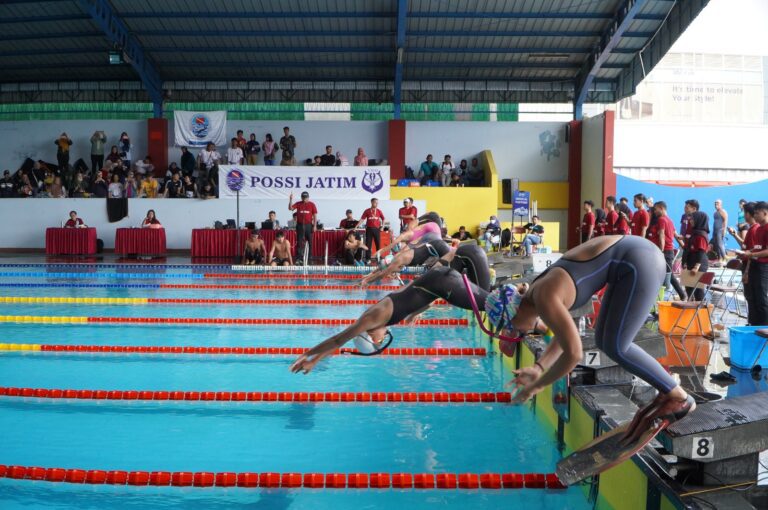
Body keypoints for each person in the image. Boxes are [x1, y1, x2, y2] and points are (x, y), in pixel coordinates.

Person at [290, 235, 695, 443]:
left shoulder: (546, 297)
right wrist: (538, 364)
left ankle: (676, 394)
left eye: (511, 331)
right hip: (629, 260)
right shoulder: (538, 297)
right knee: (609, 341)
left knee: (616, 345)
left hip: (638, 260)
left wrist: (540, 380)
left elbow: (572, 350)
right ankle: (667, 392)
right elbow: (560, 336)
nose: (515, 336)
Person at [361, 213, 450, 286]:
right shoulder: (414, 240)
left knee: (397, 258)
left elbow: (389, 251)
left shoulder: (407, 238)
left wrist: (380, 253)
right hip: (433, 238)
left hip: (432, 235)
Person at [647, 201, 686, 301]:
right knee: (668, 274)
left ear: (661, 208)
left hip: (665, 252)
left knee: (666, 276)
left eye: (655, 209)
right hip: (668, 252)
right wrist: (684, 247)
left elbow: (662, 236)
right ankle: (682, 295)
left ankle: (663, 299)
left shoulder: (661, 220)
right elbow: (676, 235)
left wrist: (661, 251)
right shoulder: (670, 220)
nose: (654, 212)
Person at [729, 202, 759, 324]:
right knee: (749, 296)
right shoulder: (751, 229)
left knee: (752, 296)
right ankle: (751, 321)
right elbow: (745, 246)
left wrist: (746, 271)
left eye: (744, 213)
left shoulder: (754, 229)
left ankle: (753, 322)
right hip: (746, 264)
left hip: (749, 265)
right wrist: (735, 235)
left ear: (748, 214)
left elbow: (752, 252)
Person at [680, 202, 710, 301]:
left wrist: (696, 267)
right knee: (688, 288)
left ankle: (700, 311)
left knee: (698, 291)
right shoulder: (695, 233)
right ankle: (692, 310)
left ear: (698, 220)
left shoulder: (701, 235)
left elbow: (701, 252)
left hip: (698, 265)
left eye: (692, 219)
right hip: (691, 263)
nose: (690, 221)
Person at [746, 201, 768, 326]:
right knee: (752, 298)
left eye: (757, 213)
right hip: (755, 265)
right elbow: (758, 248)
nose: (754, 216)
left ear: (765, 213)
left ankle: (764, 327)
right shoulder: (759, 229)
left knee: (761, 299)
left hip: (763, 267)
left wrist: (752, 254)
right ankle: (754, 326)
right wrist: (749, 252)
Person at [288, 191, 317, 265]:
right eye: (303, 198)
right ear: (301, 198)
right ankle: (299, 258)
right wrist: (290, 199)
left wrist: (315, 226)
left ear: (308, 197)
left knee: (310, 242)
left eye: (306, 198)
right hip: (300, 225)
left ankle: (310, 258)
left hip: (309, 225)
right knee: (299, 242)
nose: (304, 199)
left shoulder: (312, 204)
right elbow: (290, 208)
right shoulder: (298, 203)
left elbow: (315, 216)